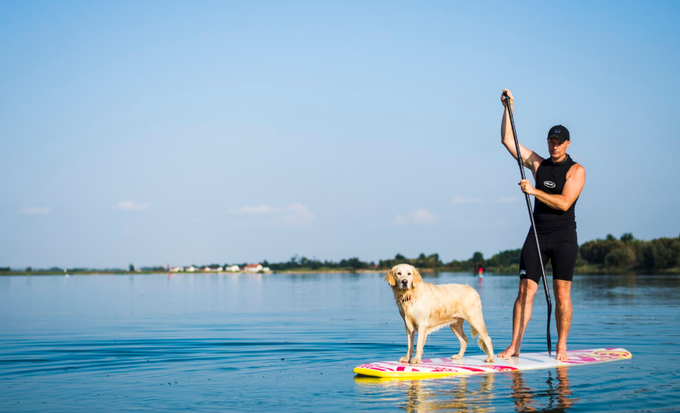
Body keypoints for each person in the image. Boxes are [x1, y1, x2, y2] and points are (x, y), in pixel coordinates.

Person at [497, 89, 586, 361]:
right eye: (551, 141)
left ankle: (561, 346)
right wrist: (507, 109)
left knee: (562, 293)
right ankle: (514, 346)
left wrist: (534, 192)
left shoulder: (576, 170)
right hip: (537, 234)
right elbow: (507, 140)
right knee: (525, 289)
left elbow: (564, 203)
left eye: (559, 142)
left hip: (563, 238)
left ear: (568, 144)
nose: (554, 146)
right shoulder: (538, 164)